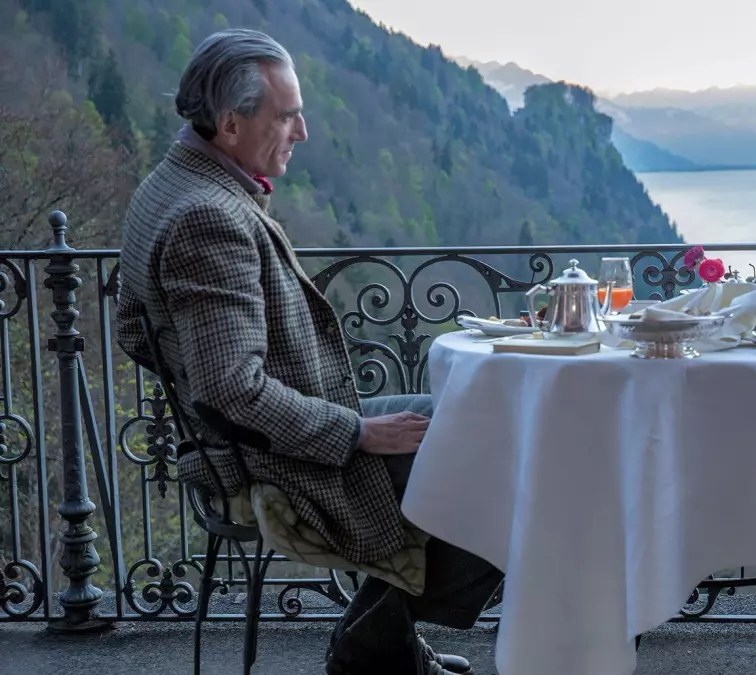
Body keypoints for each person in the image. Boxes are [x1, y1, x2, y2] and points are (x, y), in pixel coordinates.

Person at [114, 29, 501, 675]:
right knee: (505, 464)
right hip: (267, 457)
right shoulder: (207, 217)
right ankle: (372, 650)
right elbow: (230, 390)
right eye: (288, 114)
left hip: (266, 434)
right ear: (232, 123)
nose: (304, 131)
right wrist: (357, 432)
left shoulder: (176, 183)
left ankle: (379, 646)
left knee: (487, 425)